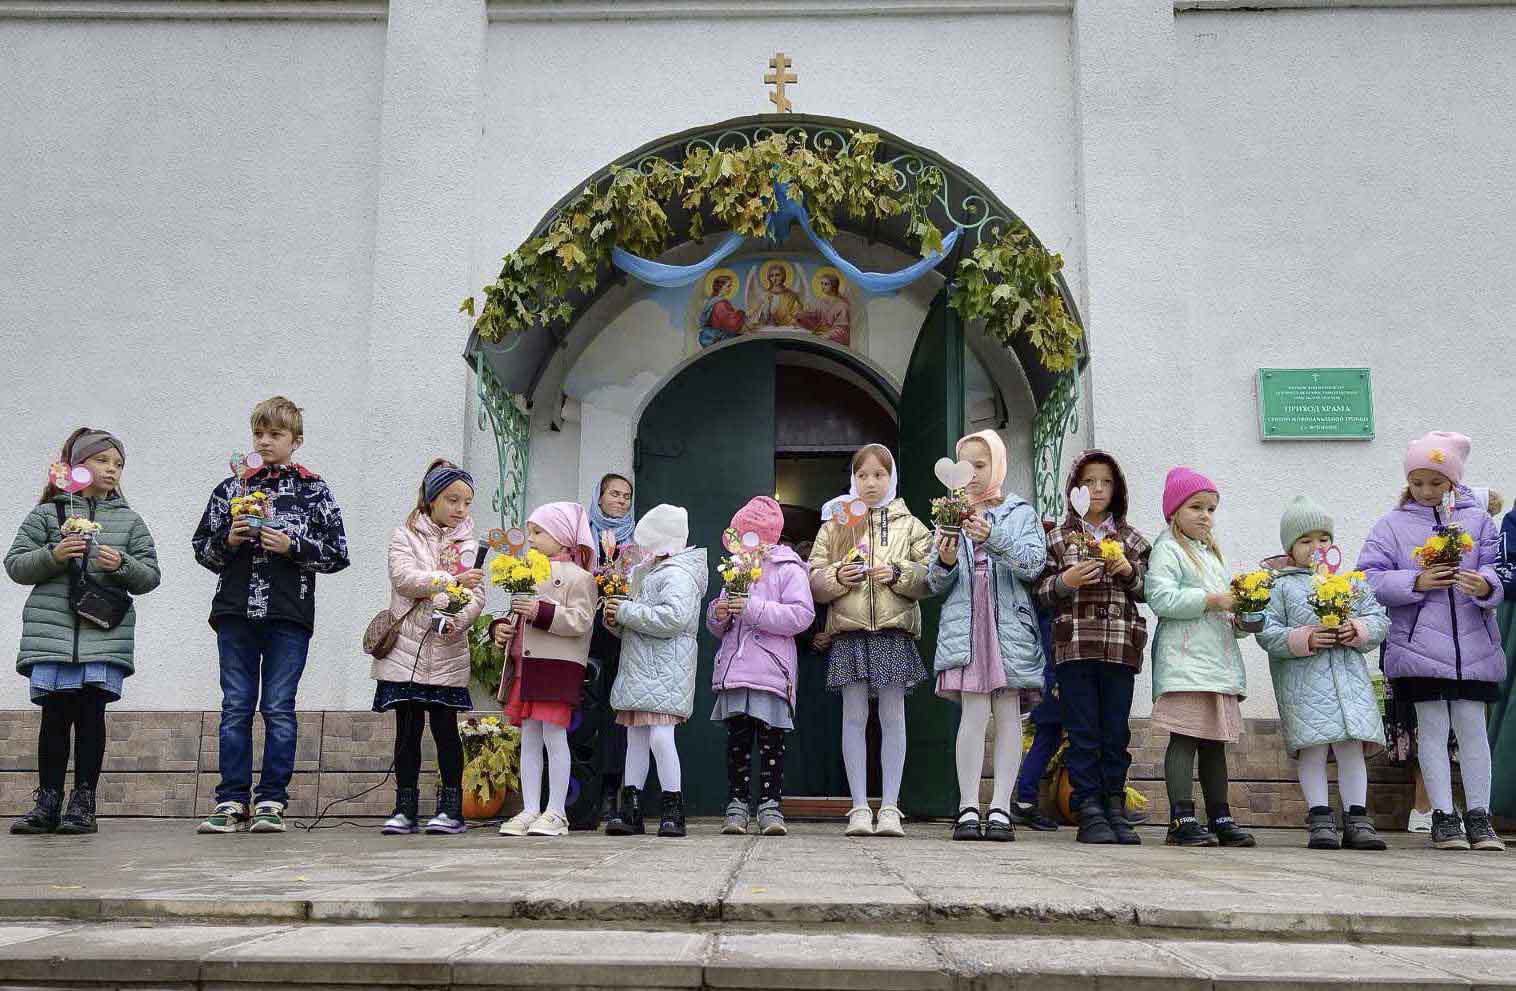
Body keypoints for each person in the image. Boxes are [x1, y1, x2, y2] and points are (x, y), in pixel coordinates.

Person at [192, 396, 350, 833]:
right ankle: (231, 801)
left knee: (279, 707)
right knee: (236, 706)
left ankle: (272, 801)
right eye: (259, 433)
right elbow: (201, 549)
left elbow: (338, 554)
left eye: (275, 434)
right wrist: (229, 540)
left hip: (288, 613)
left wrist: (293, 546)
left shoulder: (315, 489)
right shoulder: (231, 488)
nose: (265, 441)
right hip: (235, 611)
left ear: (295, 441)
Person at [1358, 432, 1506, 851]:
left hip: (1474, 648)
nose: (1426, 491)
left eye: (1436, 483)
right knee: (1433, 731)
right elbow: (1367, 577)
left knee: (1474, 730)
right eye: (1418, 482)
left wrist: (1485, 586)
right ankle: (1442, 816)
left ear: (1453, 483)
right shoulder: (1391, 525)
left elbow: (1501, 570)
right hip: (1418, 649)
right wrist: (1415, 581)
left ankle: (1479, 815)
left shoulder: (1479, 523)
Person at [7, 429, 160, 835]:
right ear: (77, 467)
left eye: (118, 464)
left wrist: (121, 564)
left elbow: (150, 576)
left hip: (102, 633)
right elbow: (16, 564)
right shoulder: (47, 514)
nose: (112, 469)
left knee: (92, 716)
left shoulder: (129, 520)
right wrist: (53, 555)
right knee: (54, 718)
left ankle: (84, 801)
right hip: (52, 633)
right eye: (102, 460)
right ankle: (48, 801)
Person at [808, 443, 934, 838]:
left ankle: (892, 807)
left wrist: (897, 573)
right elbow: (813, 576)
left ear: (891, 477)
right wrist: (835, 578)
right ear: (853, 479)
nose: (871, 483)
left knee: (893, 716)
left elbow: (931, 577)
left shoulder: (911, 524)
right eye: (862, 475)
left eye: (879, 474)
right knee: (854, 717)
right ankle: (859, 807)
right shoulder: (836, 524)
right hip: (849, 633)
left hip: (893, 632)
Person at [927, 430, 1046, 842]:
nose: (973, 474)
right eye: (967, 465)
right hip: (968, 621)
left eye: (981, 465)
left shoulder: (1020, 512)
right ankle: (966, 807)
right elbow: (935, 582)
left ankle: (1000, 808)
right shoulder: (949, 511)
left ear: (997, 464)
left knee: (1009, 715)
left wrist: (992, 536)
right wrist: (943, 560)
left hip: (1008, 625)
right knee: (973, 715)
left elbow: (1033, 565)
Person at [1256, 495, 1388, 850]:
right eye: (1306, 540)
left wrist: (1356, 629)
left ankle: (1358, 818)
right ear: (1290, 547)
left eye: (1323, 539)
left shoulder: (1349, 582)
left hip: (1347, 682)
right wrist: (1306, 638)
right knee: (1312, 750)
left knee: (1350, 749)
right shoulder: (1280, 585)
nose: (1317, 547)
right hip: (1304, 684)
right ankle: (1319, 818)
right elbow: (1268, 633)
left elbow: (1378, 619)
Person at [374, 460, 485, 835]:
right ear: (431, 498)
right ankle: (404, 806)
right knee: (407, 730)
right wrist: (451, 579)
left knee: (445, 731)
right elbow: (405, 579)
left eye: (467, 502)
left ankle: (451, 808)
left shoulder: (469, 543)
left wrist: (458, 619)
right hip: (407, 649)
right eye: (453, 499)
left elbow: (476, 594)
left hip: (448, 649)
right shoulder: (404, 536)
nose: (460, 509)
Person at [1146, 467, 1254, 848]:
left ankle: (1220, 815)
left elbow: (1224, 613)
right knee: (1186, 738)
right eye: (1196, 507)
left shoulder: (1212, 557)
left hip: (1217, 663)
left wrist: (1243, 617)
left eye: (1211, 509)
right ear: (1174, 511)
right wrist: (1212, 600)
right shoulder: (1168, 549)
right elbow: (1161, 599)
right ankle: (1181, 818)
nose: (1206, 516)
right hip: (1185, 661)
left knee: (1214, 742)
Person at [707, 496, 815, 836]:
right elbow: (721, 623)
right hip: (737, 671)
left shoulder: (788, 567)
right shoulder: (735, 569)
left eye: (743, 536)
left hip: (770, 671)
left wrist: (751, 608)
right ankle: (736, 805)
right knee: (737, 743)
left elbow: (801, 615)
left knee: (771, 743)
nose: (739, 545)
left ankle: (770, 806)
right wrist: (718, 614)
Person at [602, 504, 707, 838]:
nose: (641, 550)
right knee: (636, 737)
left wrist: (627, 611)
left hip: (664, 668)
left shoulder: (677, 574)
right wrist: (616, 620)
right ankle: (630, 806)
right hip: (641, 665)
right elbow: (640, 620)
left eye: (646, 543)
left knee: (661, 736)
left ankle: (673, 807)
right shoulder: (649, 573)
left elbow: (672, 618)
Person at [493, 502, 597, 838]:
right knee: (530, 739)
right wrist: (502, 627)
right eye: (531, 532)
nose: (531, 538)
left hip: (555, 668)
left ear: (564, 538)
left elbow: (581, 621)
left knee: (554, 736)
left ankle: (556, 811)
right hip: (527, 667)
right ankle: (530, 808)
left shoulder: (579, 577)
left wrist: (539, 610)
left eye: (539, 532)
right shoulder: (525, 571)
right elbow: (516, 615)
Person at [588, 473, 635, 821]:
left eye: (626, 496)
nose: (620, 500)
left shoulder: (635, 543)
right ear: (600, 497)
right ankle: (581, 793)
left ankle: (610, 791)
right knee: (586, 710)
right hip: (585, 632)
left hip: (621, 635)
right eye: (614, 494)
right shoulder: (582, 537)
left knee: (615, 714)